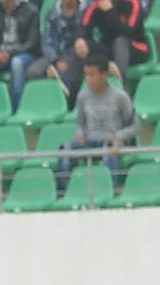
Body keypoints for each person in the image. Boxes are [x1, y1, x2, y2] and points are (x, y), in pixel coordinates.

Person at [49, 56, 139, 194]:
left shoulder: (120, 96)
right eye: (86, 75)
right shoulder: (83, 96)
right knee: (66, 148)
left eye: (91, 75)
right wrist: (80, 134)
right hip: (89, 140)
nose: (88, 79)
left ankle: (112, 189)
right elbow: (80, 123)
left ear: (103, 75)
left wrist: (120, 136)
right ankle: (64, 191)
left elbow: (134, 125)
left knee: (110, 149)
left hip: (110, 141)